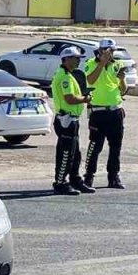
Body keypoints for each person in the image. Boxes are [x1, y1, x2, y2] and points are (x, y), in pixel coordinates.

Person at [82, 38, 129, 189]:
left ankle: (113, 176)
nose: (110, 54)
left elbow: (123, 90)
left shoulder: (117, 64)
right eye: (106, 51)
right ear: (100, 51)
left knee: (116, 146)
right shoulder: (91, 63)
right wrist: (101, 63)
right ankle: (88, 176)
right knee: (95, 146)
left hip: (115, 110)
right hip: (98, 111)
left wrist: (122, 81)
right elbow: (90, 80)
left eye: (112, 51)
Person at [51, 47, 95, 195]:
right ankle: (60, 182)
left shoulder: (69, 75)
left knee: (75, 154)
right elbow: (69, 98)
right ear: (67, 59)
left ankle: (75, 180)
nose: (78, 61)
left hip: (72, 120)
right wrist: (86, 99)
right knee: (66, 154)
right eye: (76, 58)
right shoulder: (64, 76)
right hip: (66, 119)